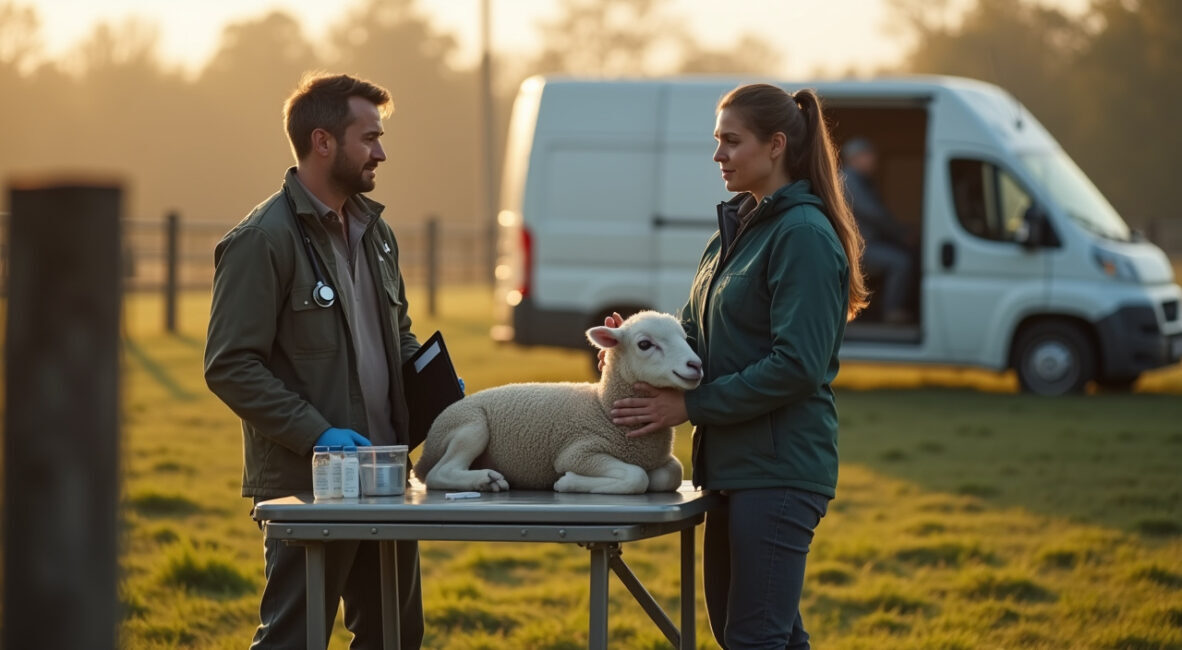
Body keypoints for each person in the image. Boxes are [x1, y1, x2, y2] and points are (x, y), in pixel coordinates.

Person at [606, 83, 867, 649]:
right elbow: (693, 339)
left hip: (778, 470)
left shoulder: (802, 235)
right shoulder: (733, 233)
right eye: (716, 140)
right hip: (730, 467)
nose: (718, 154)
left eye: (731, 140)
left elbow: (797, 364)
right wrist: (638, 343)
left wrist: (691, 404)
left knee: (754, 637)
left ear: (775, 145)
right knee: (750, 633)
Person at [204, 72, 424, 649]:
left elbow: (397, 337)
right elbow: (230, 366)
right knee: (294, 640)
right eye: (369, 137)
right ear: (323, 142)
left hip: (385, 480)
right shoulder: (262, 240)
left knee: (396, 638)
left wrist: (442, 394)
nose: (381, 151)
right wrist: (321, 434)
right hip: (309, 486)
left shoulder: (378, 233)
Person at [840, 136, 916, 324]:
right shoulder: (849, 179)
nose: (873, 159)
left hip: (866, 243)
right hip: (858, 248)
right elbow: (874, 214)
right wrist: (901, 234)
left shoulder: (860, 179)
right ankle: (892, 312)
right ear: (854, 158)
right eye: (868, 155)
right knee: (901, 262)